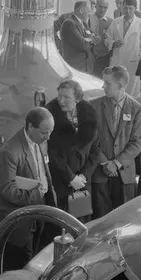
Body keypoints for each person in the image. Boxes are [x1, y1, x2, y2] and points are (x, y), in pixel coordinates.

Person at [0, 107, 57, 271]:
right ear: (29, 126)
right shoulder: (9, 152)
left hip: (38, 215)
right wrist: (36, 195)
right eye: (44, 133)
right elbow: (5, 189)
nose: (48, 137)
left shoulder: (40, 141)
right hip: (19, 225)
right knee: (21, 267)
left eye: (50, 132)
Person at [89, 66, 141, 218]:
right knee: (100, 221)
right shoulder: (94, 106)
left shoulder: (137, 109)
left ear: (120, 86)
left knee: (124, 221)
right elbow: (91, 140)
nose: (103, 86)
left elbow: (136, 143)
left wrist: (116, 163)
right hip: (101, 173)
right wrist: (106, 163)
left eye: (107, 83)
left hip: (125, 175)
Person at [45, 79, 100, 214]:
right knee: (61, 225)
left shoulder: (89, 114)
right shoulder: (49, 116)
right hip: (61, 182)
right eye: (59, 96)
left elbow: (96, 148)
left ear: (77, 99)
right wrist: (71, 178)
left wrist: (83, 176)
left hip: (83, 182)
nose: (61, 101)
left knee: (81, 223)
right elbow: (51, 153)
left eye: (66, 97)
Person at [106, 0, 141, 97]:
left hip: (133, 61)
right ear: (122, 8)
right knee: (115, 85)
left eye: (131, 8)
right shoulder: (116, 22)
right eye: (125, 8)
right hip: (117, 59)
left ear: (135, 8)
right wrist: (113, 43)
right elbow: (107, 38)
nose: (128, 11)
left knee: (131, 90)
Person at [59, 0, 94, 73]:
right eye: (88, 11)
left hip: (85, 66)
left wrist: (88, 39)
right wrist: (90, 40)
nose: (89, 14)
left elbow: (97, 37)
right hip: (75, 67)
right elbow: (83, 45)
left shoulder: (83, 23)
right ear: (81, 10)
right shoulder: (69, 23)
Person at [89, 0, 113, 77]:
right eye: (100, 6)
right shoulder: (87, 19)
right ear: (95, 6)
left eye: (105, 7)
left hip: (103, 59)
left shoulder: (111, 23)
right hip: (89, 57)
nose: (102, 10)